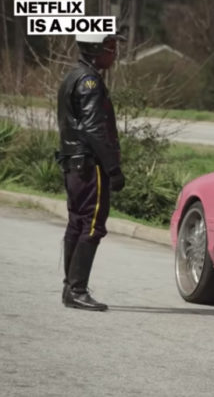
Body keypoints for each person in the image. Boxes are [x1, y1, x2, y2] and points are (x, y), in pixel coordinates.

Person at [56, 33, 125, 311]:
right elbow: (95, 128)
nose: (114, 53)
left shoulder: (74, 76)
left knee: (77, 222)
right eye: (110, 48)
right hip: (89, 165)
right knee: (92, 225)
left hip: (74, 163)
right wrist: (113, 168)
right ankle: (77, 290)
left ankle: (70, 287)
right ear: (95, 50)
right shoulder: (90, 82)